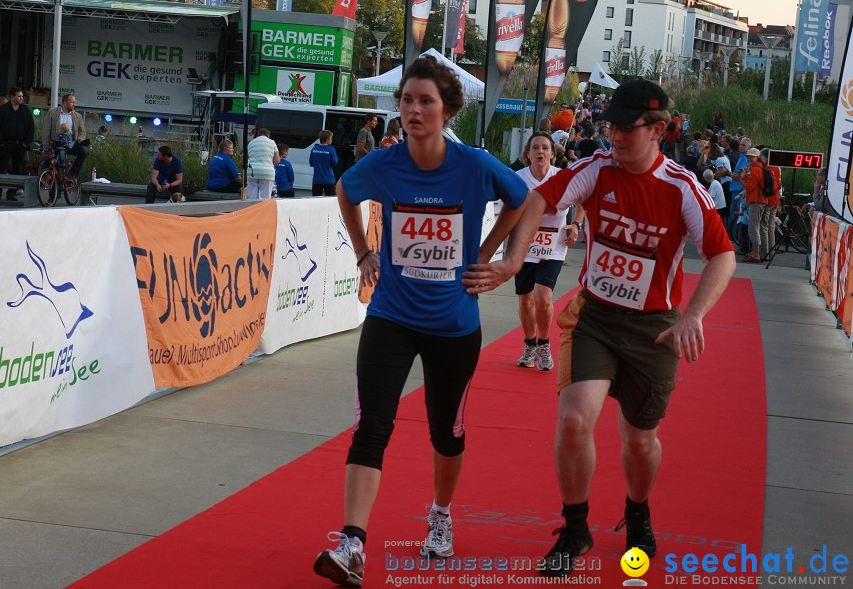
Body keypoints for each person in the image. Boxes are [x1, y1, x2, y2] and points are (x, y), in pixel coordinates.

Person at [463, 78, 735, 577]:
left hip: (654, 328)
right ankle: (575, 526)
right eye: (610, 125)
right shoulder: (596, 169)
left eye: (626, 128)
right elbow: (539, 201)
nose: (614, 136)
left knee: (639, 439)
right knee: (573, 421)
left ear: (658, 130)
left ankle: (637, 508)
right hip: (594, 317)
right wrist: (512, 260)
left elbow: (722, 255)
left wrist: (693, 315)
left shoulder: (682, 187)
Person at [312, 55, 527, 588]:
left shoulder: (475, 165)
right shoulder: (384, 164)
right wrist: (364, 251)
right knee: (372, 425)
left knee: (444, 430)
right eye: (406, 100)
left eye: (425, 101)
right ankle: (353, 544)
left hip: (454, 324)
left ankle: (440, 513)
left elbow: (525, 200)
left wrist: (501, 259)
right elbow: (345, 190)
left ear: (447, 109)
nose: (412, 109)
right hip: (391, 316)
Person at [513, 132, 581, 371]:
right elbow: (505, 208)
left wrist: (576, 224)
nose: (540, 152)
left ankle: (543, 344)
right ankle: (530, 344)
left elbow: (582, 199)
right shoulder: (517, 179)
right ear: (528, 154)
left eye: (544, 148)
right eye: (535, 148)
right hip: (524, 245)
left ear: (553, 153)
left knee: (543, 298)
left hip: (554, 246)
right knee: (525, 301)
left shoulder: (562, 177)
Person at [0, 86, 34, 201]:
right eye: (19, 96)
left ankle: (11, 193)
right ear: (12, 96)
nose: (21, 98)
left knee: (17, 170)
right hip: (6, 144)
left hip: (20, 145)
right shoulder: (3, 109)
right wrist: (1, 143)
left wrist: (26, 143)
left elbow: (31, 127)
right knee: (1, 168)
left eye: (22, 96)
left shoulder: (25, 110)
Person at [41, 93, 89, 181]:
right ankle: (51, 181)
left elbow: (82, 132)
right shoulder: (52, 112)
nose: (74, 104)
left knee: (84, 150)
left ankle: (72, 174)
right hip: (56, 142)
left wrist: (80, 139)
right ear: (65, 102)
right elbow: (46, 130)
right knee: (55, 161)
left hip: (70, 143)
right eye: (72, 102)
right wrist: (46, 146)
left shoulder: (77, 116)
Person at [741, 147, 769, 263]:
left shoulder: (755, 169)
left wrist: (741, 178)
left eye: (752, 157)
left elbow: (749, 187)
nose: (749, 159)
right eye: (748, 157)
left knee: (753, 228)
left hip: (756, 201)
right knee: (758, 228)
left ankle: (756, 254)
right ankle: (758, 252)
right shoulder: (759, 168)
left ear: (757, 157)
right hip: (760, 201)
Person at [247, 127, 280, 199]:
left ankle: (253, 210)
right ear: (268, 136)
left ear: (258, 135)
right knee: (265, 199)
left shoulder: (250, 143)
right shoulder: (272, 142)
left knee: (252, 198)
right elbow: (277, 161)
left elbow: (248, 158)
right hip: (267, 173)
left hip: (252, 172)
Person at [310, 129, 339, 197]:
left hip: (317, 180)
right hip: (329, 180)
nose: (332, 140)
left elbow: (311, 163)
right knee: (329, 201)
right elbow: (335, 163)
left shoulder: (314, 149)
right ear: (327, 140)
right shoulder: (331, 149)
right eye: (331, 139)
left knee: (315, 200)